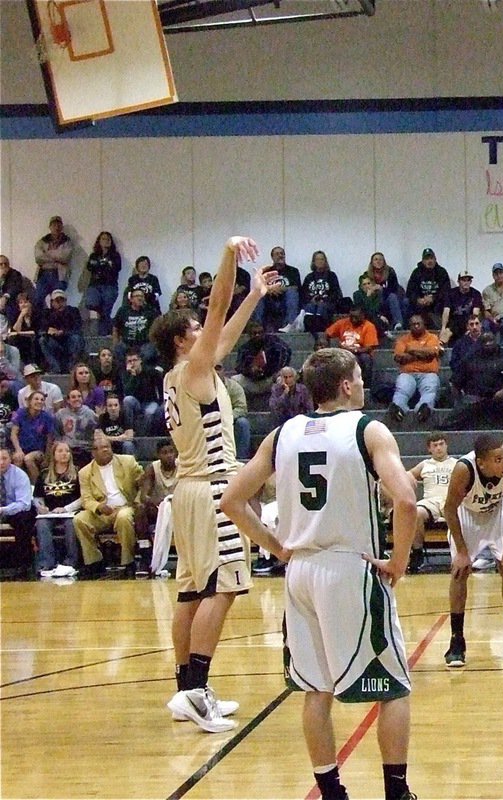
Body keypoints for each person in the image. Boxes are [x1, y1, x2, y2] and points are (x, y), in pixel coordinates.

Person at [219, 347, 420, 800]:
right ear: (346, 385)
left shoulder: (283, 433)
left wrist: (276, 548)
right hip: (350, 566)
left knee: (315, 688)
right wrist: (399, 562)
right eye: (359, 378)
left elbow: (232, 500)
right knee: (393, 686)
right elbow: (406, 500)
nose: (364, 384)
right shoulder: (367, 429)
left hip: (301, 572)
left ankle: (331, 792)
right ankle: (397, 791)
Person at [149, 234, 266, 734]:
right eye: (195, 327)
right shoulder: (193, 367)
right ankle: (197, 690)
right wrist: (228, 257)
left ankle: (184, 690)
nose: (206, 329)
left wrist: (255, 294)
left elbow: (224, 334)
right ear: (181, 339)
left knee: (192, 591)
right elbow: (217, 306)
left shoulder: (185, 373)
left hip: (189, 492)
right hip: (215, 489)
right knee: (224, 589)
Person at [441, 433, 503, 667]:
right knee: (459, 572)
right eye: (498, 459)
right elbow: (449, 510)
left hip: (496, 514)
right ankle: (456, 640)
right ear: (481, 463)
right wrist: (462, 552)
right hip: (466, 515)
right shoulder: (464, 469)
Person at [74, 433, 144, 579]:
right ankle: (94, 562)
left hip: (125, 506)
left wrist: (138, 502)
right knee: (79, 519)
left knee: (124, 517)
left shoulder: (128, 461)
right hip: (102, 511)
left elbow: (143, 484)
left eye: (107, 446)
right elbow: (86, 499)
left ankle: (128, 562)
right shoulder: (84, 472)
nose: (105, 450)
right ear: (93, 453)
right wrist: (99, 507)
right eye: (100, 448)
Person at [445, 332, 503, 436]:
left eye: (491, 341)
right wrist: (460, 399)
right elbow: (455, 381)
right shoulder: (470, 358)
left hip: (500, 397)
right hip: (475, 397)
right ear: (480, 344)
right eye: (485, 342)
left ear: (496, 341)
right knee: (452, 420)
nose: (488, 344)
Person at [407, 431, 456, 574]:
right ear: (429, 448)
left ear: (447, 445)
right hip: (431, 502)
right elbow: (407, 476)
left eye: (441, 444)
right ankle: (417, 553)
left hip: (452, 501)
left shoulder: (457, 463)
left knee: (464, 512)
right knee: (416, 512)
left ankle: (463, 553)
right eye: (435, 445)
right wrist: (409, 481)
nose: (439, 448)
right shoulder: (424, 464)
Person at [34, 440, 82, 579]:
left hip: (71, 512)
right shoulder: (43, 474)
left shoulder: (78, 473)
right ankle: (47, 564)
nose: (64, 454)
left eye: (67, 451)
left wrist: (66, 508)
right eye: (60, 451)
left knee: (71, 524)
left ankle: (70, 562)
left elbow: (83, 497)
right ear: (53, 454)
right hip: (49, 514)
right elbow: (37, 497)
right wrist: (40, 507)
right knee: (42, 525)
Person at [135, 438, 178, 575]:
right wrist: (160, 502)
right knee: (140, 510)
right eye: (164, 452)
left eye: (171, 451)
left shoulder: (184, 466)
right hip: (159, 509)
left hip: (180, 508)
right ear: (158, 455)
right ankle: (145, 555)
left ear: (176, 453)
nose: (169, 455)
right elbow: (144, 496)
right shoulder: (152, 468)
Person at [389, 313, 442, 425]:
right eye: (413, 324)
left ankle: (423, 409)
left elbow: (432, 353)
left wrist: (411, 350)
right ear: (409, 326)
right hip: (407, 373)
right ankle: (398, 409)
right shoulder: (403, 340)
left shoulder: (432, 337)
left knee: (430, 389)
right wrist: (422, 353)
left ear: (424, 325)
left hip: (428, 373)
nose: (416, 326)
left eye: (418, 324)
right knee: (402, 390)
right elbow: (399, 357)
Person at [0, 447, 36, 578]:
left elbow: (24, 504)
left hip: (15, 510)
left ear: (10, 459)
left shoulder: (20, 475)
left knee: (24, 519)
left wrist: (4, 510)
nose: (1, 462)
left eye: (4, 458)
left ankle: (22, 564)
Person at [232, 321, 293, 398]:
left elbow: (287, 351)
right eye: (254, 333)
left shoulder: (274, 343)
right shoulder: (244, 348)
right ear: (249, 335)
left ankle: (280, 405)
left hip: (270, 379)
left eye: (260, 332)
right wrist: (250, 370)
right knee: (234, 380)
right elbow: (238, 367)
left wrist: (277, 371)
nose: (257, 335)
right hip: (251, 381)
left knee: (283, 378)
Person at [324, 306, 379, 388]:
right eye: (351, 317)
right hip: (343, 352)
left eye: (356, 317)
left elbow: (369, 347)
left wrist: (354, 351)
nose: (353, 320)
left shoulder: (369, 326)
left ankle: (365, 387)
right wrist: (327, 346)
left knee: (364, 358)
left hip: (361, 352)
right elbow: (327, 333)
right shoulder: (343, 323)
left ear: (363, 316)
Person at [11, 389, 56, 481]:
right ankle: (16, 486)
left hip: (39, 451)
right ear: (29, 402)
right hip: (22, 448)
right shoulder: (21, 413)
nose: (39, 401)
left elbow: (49, 440)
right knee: (17, 458)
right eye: (36, 399)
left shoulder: (47, 417)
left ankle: (36, 488)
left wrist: (47, 458)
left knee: (28, 459)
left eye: (42, 400)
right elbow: (13, 434)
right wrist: (18, 450)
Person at [36, 289, 85, 374]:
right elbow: (41, 329)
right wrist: (48, 331)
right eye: (57, 301)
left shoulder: (73, 311)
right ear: (52, 302)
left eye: (62, 300)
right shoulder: (46, 313)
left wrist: (63, 332)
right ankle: (55, 368)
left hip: (69, 341)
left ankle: (71, 367)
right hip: (54, 342)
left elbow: (78, 328)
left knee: (77, 338)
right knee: (42, 340)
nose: (60, 303)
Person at [254, 246, 302, 331]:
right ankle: (258, 326)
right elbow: (260, 287)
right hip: (270, 300)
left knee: (292, 292)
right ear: (272, 257)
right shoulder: (266, 271)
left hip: (286, 300)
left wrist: (282, 288)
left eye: (282, 253)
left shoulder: (293, 271)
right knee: (259, 294)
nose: (280, 255)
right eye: (277, 254)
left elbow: (296, 287)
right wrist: (270, 290)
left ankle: (290, 324)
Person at [84, 231, 123, 335]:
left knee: (106, 311)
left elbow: (117, 268)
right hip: (95, 285)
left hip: (110, 285)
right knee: (90, 303)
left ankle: (103, 334)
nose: (106, 241)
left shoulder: (115, 255)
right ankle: (106, 323)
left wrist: (100, 266)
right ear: (99, 241)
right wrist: (106, 265)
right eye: (103, 239)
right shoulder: (94, 255)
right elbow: (90, 267)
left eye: (108, 239)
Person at [405, 247, 451, 331]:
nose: (429, 261)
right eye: (426, 259)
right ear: (423, 261)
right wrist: (418, 299)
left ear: (435, 259)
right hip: (420, 305)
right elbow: (410, 291)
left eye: (431, 258)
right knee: (407, 303)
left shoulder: (441, 272)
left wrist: (433, 298)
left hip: (436, 304)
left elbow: (446, 291)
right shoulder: (416, 272)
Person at [119, 351, 164, 437]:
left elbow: (161, 389)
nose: (132, 363)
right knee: (127, 400)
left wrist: (160, 403)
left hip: (151, 402)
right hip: (136, 403)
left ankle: (143, 437)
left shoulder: (151, 372)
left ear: (140, 361)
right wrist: (133, 376)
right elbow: (127, 392)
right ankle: (129, 430)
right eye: (129, 361)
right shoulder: (126, 375)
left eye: (134, 360)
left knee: (149, 412)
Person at [33, 215, 74, 307]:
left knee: (57, 301)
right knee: (38, 299)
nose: (56, 227)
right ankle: (39, 321)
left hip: (59, 275)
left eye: (59, 225)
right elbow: (38, 257)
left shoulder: (67, 241)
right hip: (43, 275)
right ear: (50, 227)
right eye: (54, 225)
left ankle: (56, 321)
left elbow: (65, 257)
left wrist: (47, 253)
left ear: (62, 227)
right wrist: (57, 256)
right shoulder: (42, 241)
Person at [112, 288, 159, 365]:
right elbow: (115, 328)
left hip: (144, 343)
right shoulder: (123, 311)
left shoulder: (150, 311)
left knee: (149, 353)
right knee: (118, 350)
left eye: (142, 296)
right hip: (126, 343)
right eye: (137, 296)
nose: (140, 298)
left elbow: (156, 329)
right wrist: (115, 343)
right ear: (131, 299)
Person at [362, 251, 407, 332]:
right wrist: (372, 290)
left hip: (388, 300)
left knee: (395, 297)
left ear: (384, 262)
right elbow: (363, 289)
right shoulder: (366, 275)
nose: (378, 261)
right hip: (375, 300)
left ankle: (399, 324)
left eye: (380, 259)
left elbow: (394, 288)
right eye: (376, 259)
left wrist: (381, 289)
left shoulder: (390, 272)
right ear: (372, 262)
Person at [301, 251, 343, 333]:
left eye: (322, 259)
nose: (320, 261)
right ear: (313, 262)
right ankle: (310, 331)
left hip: (327, 303)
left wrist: (324, 300)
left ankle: (320, 331)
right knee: (310, 307)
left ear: (325, 261)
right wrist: (311, 299)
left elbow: (336, 292)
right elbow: (303, 293)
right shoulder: (309, 277)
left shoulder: (331, 276)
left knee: (321, 307)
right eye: (317, 259)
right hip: (312, 303)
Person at [215, 364, 251, 461]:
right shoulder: (201, 388)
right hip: (210, 422)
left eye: (218, 368)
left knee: (243, 423)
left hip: (230, 421)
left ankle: (241, 459)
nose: (216, 372)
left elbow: (241, 408)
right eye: (213, 369)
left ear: (224, 371)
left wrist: (226, 418)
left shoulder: (234, 387)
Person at [55, 388, 98, 468]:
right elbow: (57, 433)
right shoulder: (60, 414)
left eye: (79, 396)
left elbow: (96, 431)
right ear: (68, 400)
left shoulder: (90, 413)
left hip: (85, 449)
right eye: (73, 397)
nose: (76, 399)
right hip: (68, 448)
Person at [443, 271, 483, 344]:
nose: (466, 282)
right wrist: (443, 328)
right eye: (463, 280)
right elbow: (446, 311)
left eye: (468, 280)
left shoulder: (475, 293)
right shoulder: (451, 293)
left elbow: (475, 313)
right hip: (454, 322)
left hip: (468, 321)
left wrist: (470, 327)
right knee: (445, 334)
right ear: (458, 281)